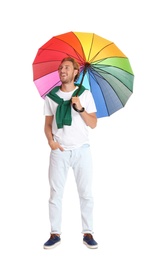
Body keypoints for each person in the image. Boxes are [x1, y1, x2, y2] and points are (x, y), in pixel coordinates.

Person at [43, 57, 98, 249]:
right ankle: (55, 233)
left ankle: (88, 233)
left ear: (76, 72)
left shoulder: (85, 95)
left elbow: (93, 123)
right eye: (60, 67)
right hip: (60, 151)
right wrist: (51, 141)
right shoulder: (51, 97)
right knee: (55, 193)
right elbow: (48, 124)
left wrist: (80, 108)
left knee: (86, 194)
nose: (62, 70)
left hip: (82, 150)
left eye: (66, 67)